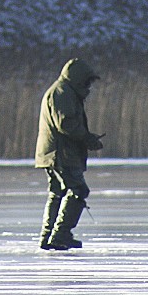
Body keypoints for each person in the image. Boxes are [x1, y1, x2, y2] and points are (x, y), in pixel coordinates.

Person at [34, 58, 104, 251]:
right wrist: (87, 138)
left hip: (54, 153)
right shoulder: (63, 93)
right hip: (61, 153)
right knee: (78, 190)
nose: (89, 87)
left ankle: (49, 236)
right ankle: (60, 234)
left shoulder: (63, 91)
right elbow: (65, 124)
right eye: (87, 82)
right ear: (78, 79)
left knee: (58, 192)